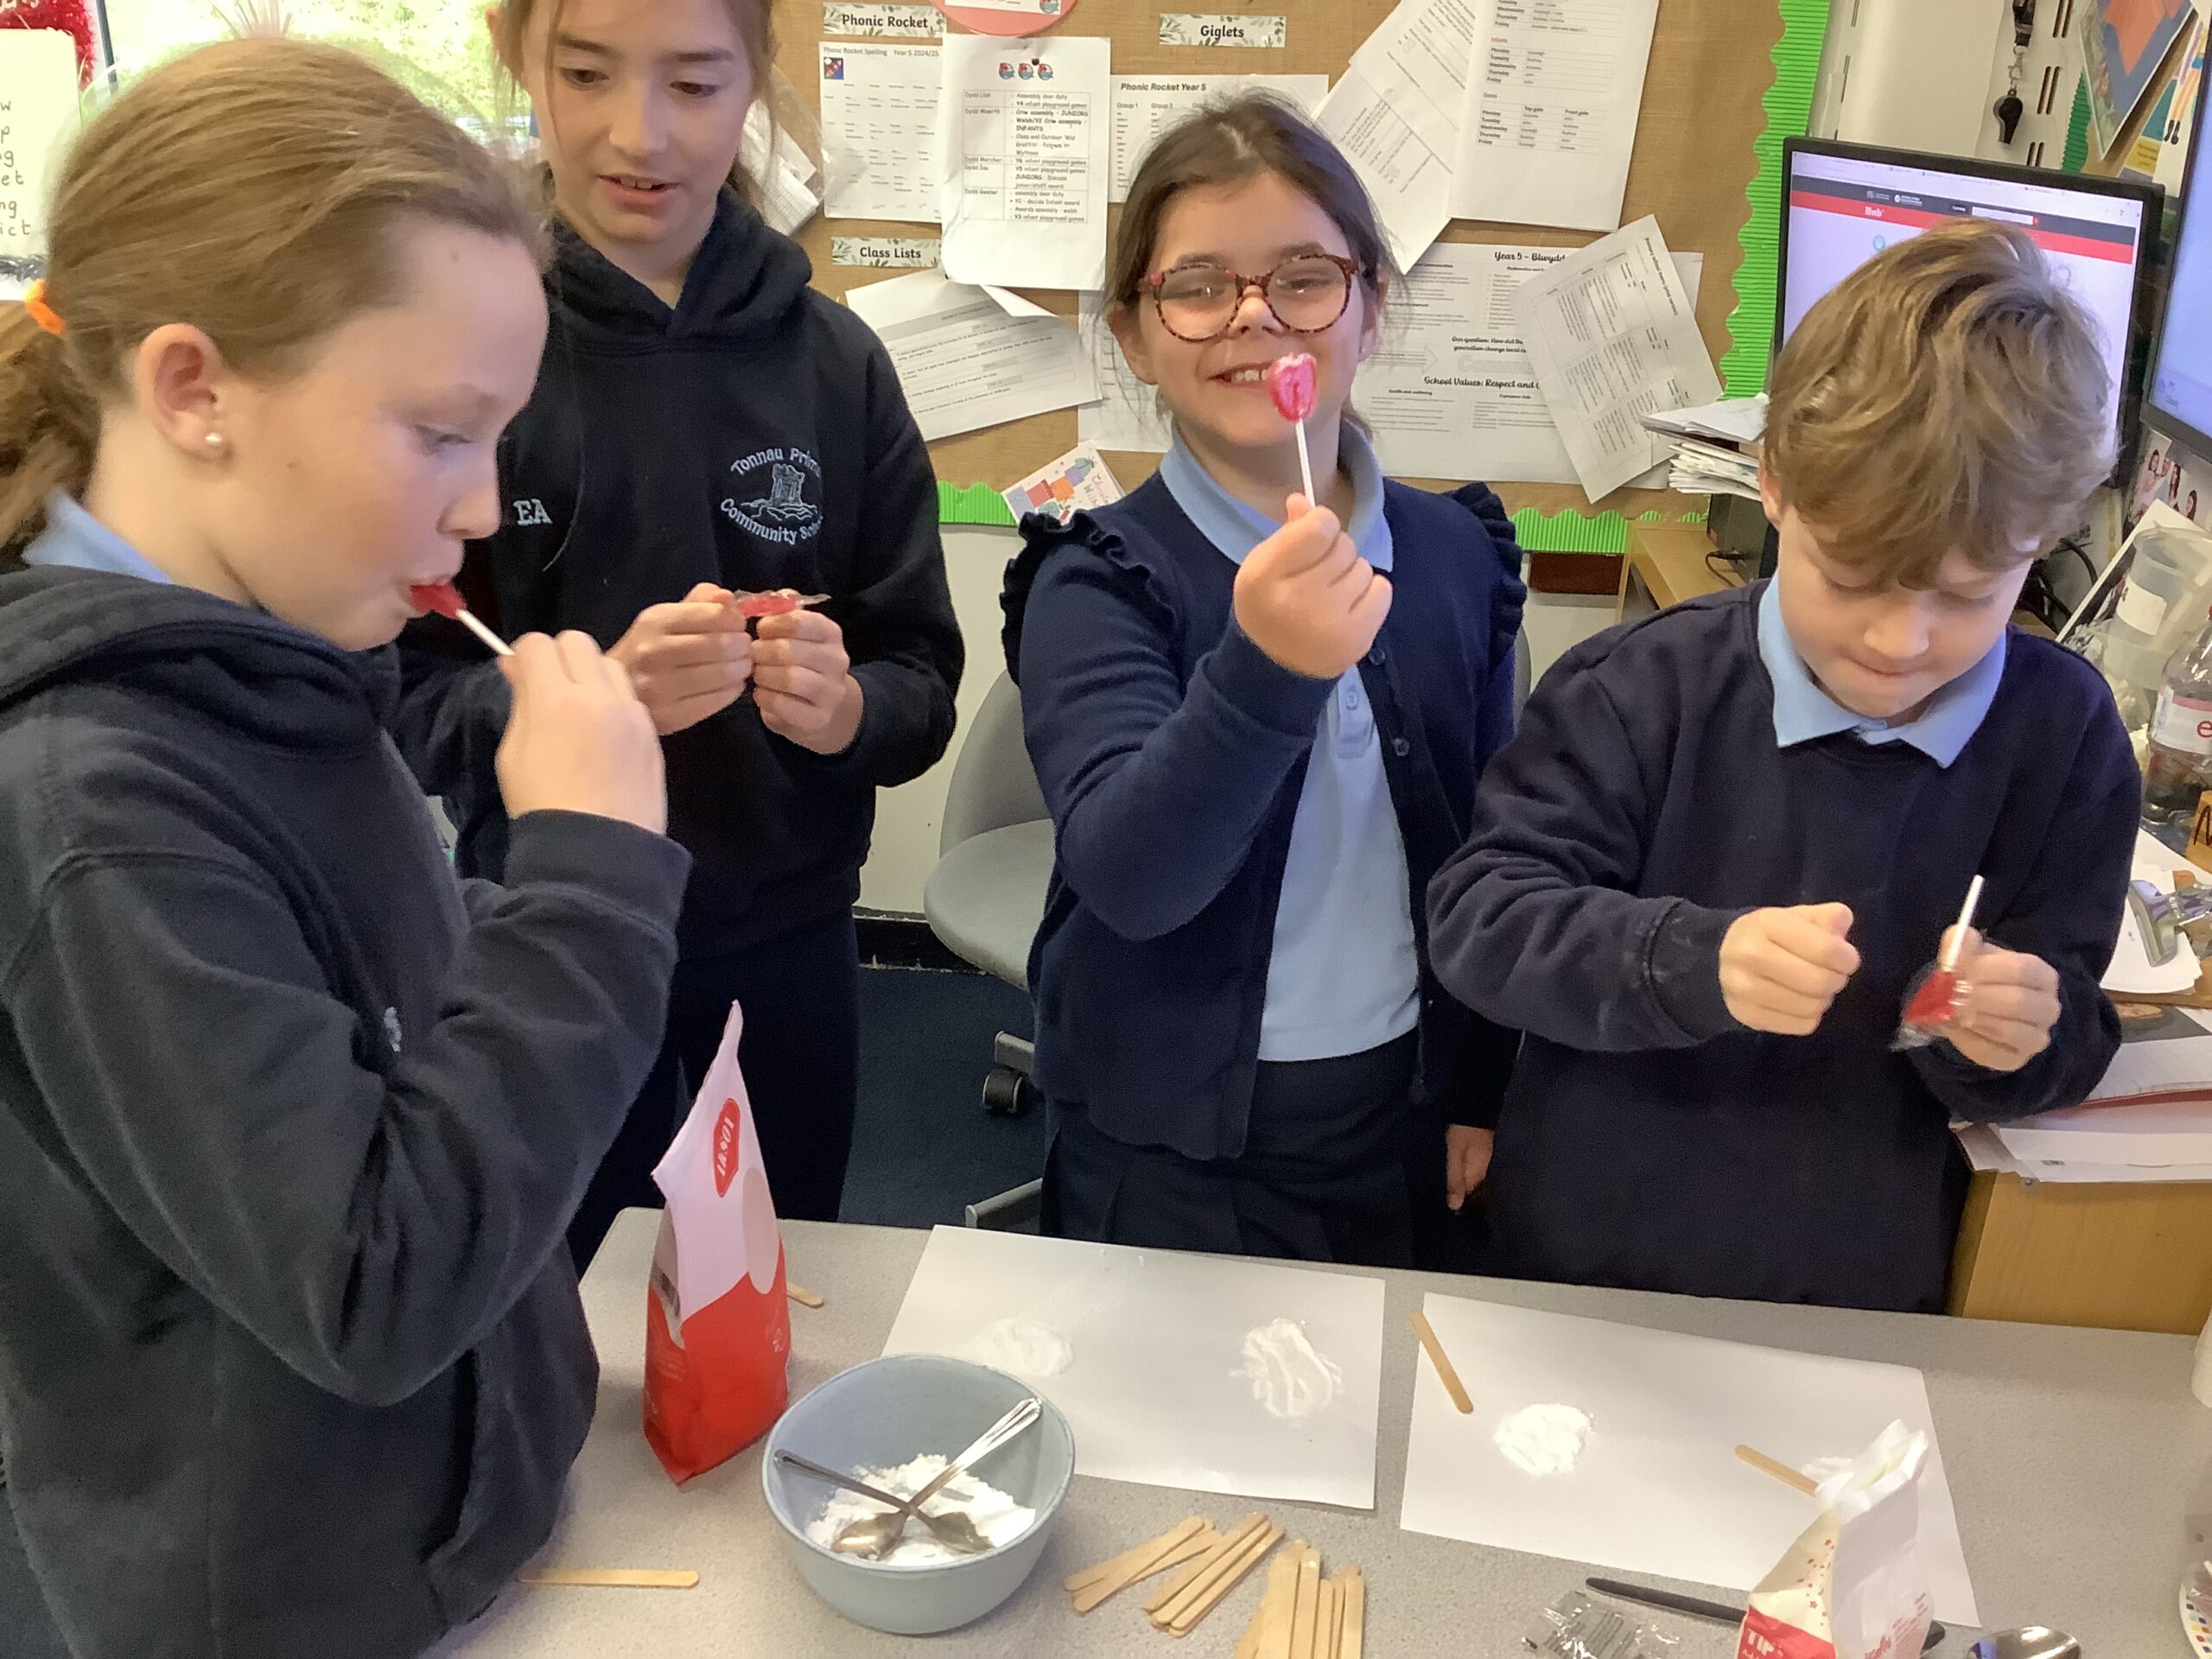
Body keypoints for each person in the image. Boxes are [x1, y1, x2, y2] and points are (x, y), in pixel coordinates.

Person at [0, 39, 686, 1659]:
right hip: (293, 1600)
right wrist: (589, 876)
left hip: (453, 1530)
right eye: (443, 432)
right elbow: (372, 1284)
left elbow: (395, 1041)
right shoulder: (94, 808)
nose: (483, 510)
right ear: (194, 391)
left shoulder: (280, 662)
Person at [1427, 220, 2137, 1313]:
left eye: (1965, 596)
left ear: (2037, 548)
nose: (1898, 640)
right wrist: (1690, 962)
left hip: (1860, 1292)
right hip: (1588, 1273)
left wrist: (2016, 1037)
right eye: (1849, 577)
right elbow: (1483, 921)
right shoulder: (1637, 690)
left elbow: (2073, 1028)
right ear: (1770, 483)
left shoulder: (2064, 738)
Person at [394, 0, 963, 1261]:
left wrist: (849, 710)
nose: (638, 134)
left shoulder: (836, 363)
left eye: (695, 85)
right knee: (544, 1288)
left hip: (785, 943)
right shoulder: (467, 349)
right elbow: (406, 689)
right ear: (517, 57)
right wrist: (587, 703)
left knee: (769, 1276)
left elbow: (920, 676)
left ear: (755, 81)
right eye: (586, 73)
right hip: (537, 933)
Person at [1002, 97, 1525, 1270]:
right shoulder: (1098, 581)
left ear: (1370, 308)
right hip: (1170, 1142)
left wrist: (1481, 1086)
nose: (1255, 316)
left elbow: (1495, 848)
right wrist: (1269, 671)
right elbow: (1133, 879)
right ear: (1135, 336)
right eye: (1196, 287)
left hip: (1400, 1110)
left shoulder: (1453, 555)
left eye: (1304, 278)